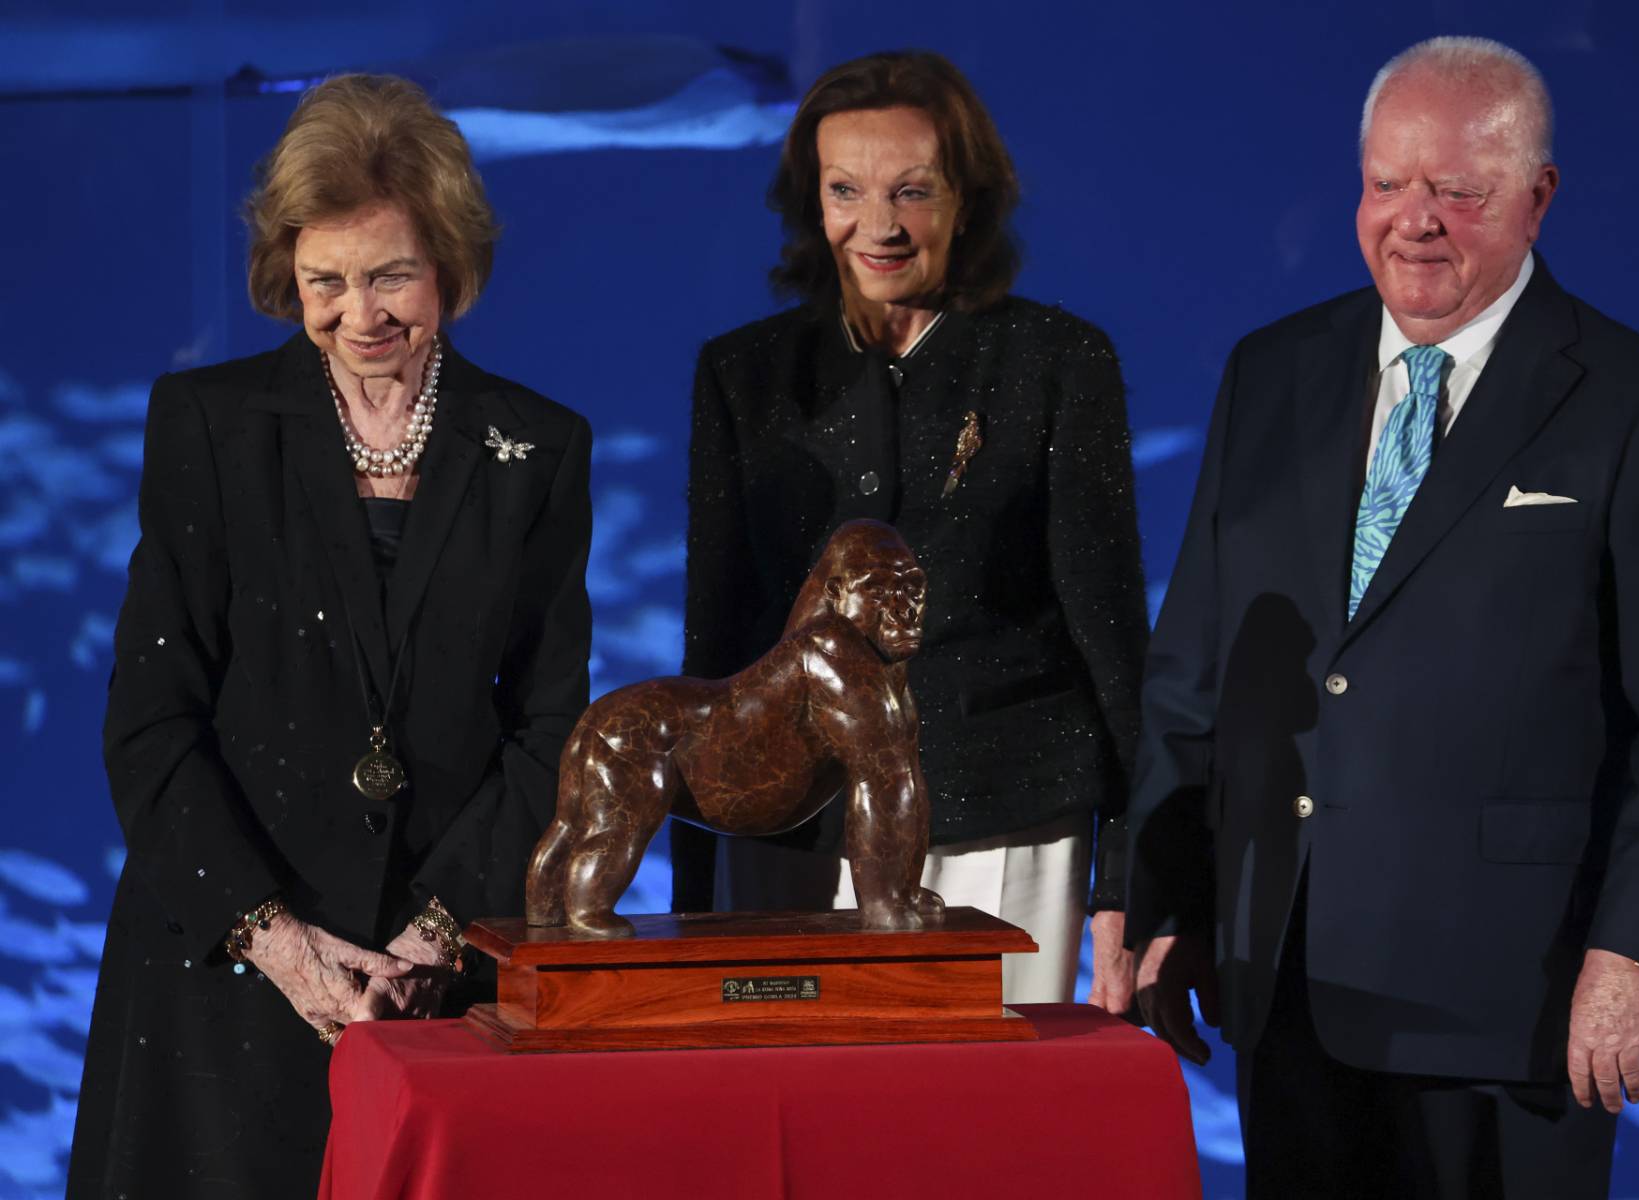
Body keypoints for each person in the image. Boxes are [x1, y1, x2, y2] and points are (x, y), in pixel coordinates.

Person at [1126, 36, 1639, 1197]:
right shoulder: (1270, 372)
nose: (1414, 220)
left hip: (1514, 1007)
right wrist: (1162, 898)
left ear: (1536, 198)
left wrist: (1636, 958)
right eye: (1386, 183)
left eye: (1457, 191)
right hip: (1292, 985)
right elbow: (1196, 666)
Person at [68, 74, 593, 1197]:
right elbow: (152, 721)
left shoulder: (538, 450)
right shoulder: (207, 427)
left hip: (435, 984)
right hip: (222, 973)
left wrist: (434, 937)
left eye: (392, 274)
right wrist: (278, 942)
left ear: (448, 261)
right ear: (287, 275)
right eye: (327, 281)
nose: (363, 315)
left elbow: (552, 727)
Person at [675, 49, 1148, 1006]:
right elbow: (714, 645)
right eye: (845, 189)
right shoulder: (744, 377)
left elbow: (1114, 644)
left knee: (979, 1141)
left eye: (913, 191)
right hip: (787, 839)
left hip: (1003, 828)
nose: (879, 226)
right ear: (811, 200)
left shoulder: (1056, 363)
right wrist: (693, 891)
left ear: (967, 199)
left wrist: (1132, 883)